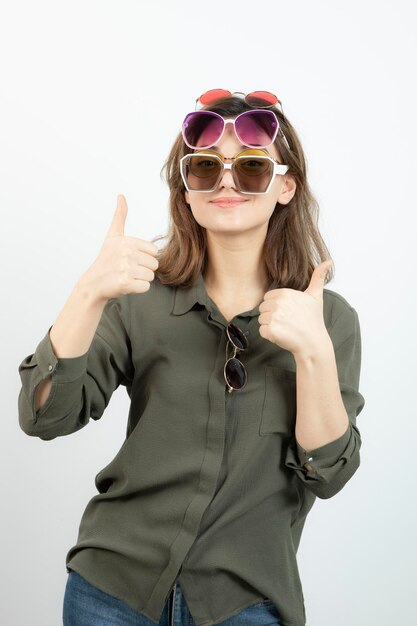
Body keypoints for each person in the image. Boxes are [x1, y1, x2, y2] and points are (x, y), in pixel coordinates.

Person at [17, 89, 365, 626]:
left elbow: (328, 473)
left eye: (251, 168)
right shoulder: (138, 298)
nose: (226, 182)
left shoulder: (328, 319)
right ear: (186, 187)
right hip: (112, 593)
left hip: (243, 603)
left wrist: (314, 352)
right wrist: (88, 293)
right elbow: (45, 415)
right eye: (204, 167)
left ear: (285, 186)